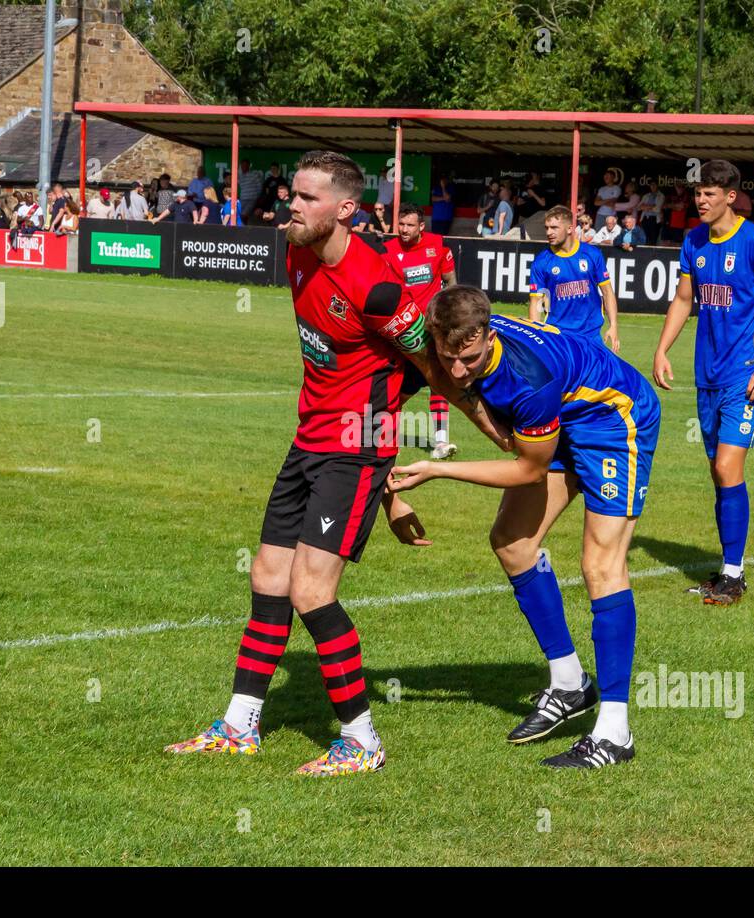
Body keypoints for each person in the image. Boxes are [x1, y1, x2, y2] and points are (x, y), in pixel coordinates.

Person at [166, 150, 505, 776]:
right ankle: (240, 725)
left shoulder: (376, 286)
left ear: (345, 209)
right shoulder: (295, 252)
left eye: (306, 198)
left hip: (354, 449)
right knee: (268, 576)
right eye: (291, 194)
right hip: (308, 441)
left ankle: (360, 739)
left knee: (309, 590)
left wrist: (490, 429)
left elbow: (429, 368)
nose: (290, 205)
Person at [387, 286, 661, 768]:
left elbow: (529, 469)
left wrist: (439, 468)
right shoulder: (448, 337)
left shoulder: (529, 379)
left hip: (614, 420)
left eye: (468, 359)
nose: (457, 370)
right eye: (448, 357)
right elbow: (434, 374)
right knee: (513, 543)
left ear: (488, 335)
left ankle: (615, 733)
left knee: (600, 565)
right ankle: (569, 683)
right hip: (563, 419)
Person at [653, 159, 754, 606]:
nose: (701, 200)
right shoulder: (694, 240)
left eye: (710, 194)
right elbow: (683, 298)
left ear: (731, 197)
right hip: (706, 376)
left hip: (744, 375)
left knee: (728, 469)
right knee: (718, 473)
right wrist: (661, 349)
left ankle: (734, 575)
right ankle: (727, 568)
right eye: (698, 193)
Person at [384, 203, 458, 460]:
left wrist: (448, 315)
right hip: (403, 332)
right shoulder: (388, 251)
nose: (403, 230)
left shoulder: (437, 245)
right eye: (401, 225)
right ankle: (380, 429)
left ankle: (441, 442)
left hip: (433, 329)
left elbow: (451, 282)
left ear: (421, 227)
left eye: (409, 225)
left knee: (439, 382)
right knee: (399, 387)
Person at [528, 205, 618, 351]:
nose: (549, 232)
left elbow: (607, 292)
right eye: (547, 228)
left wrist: (613, 326)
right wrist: (535, 339)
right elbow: (535, 303)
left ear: (570, 229)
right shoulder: (541, 262)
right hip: (558, 337)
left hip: (592, 336)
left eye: (554, 228)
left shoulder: (592, 254)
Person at [638, 180, 664, 244]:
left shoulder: (661, 196)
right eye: (651, 185)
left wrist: (645, 206)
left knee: (653, 239)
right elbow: (639, 207)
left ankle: (653, 254)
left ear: (657, 186)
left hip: (654, 219)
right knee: (645, 239)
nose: (652, 186)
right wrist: (651, 206)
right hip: (645, 218)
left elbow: (658, 208)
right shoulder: (646, 195)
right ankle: (645, 254)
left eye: (654, 185)